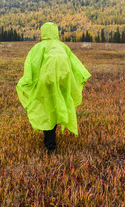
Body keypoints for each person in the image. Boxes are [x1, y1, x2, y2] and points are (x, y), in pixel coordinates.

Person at [16, 22, 91, 153]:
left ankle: (50, 144)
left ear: (43, 32)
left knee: (46, 108)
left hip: (46, 82)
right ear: (56, 32)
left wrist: (26, 83)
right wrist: (80, 77)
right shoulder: (63, 47)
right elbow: (75, 64)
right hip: (63, 81)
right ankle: (50, 139)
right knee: (57, 105)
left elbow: (31, 68)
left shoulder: (38, 48)